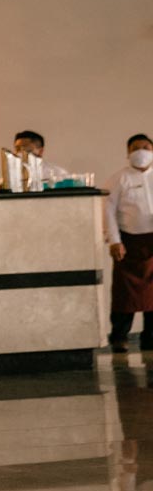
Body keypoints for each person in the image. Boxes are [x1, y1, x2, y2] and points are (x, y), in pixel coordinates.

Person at [105, 133, 153, 353]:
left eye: (146, 147)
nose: (141, 151)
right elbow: (108, 211)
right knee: (125, 295)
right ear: (128, 153)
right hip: (129, 243)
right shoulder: (119, 179)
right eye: (135, 148)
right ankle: (119, 337)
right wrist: (115, 241)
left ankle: (150, 338)